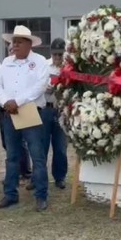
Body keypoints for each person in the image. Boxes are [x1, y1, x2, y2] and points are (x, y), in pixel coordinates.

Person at [0, 25, 50, 211]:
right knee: (12, 156)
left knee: (37, 156)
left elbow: (40, 86)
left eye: (19, 42)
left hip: (31, 111)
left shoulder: (40, 61)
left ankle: (41, 195)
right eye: (13, 42)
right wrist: (6, 102)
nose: (15, 45)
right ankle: (10, 194)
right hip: (10, 113)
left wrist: (17, 101)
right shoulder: (6, 62)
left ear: (29, 44)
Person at [44, 38, 68, 189]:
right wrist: (45, 88)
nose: (57, 58)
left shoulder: (69, 68)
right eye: (55, 55)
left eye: (60, 55)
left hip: (62, 110)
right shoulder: (44, 66)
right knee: (41, 145)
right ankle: (37, 177)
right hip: (46, 107)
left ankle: (60, 177)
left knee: (60, 147)